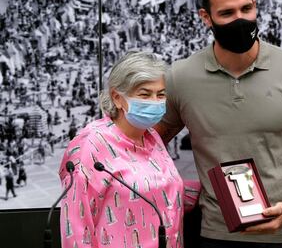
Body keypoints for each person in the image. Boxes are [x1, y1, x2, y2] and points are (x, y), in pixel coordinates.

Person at [155, 0, 282, 248]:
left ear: (256, 5)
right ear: (206, 18)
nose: (240, 20)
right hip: (217, 236)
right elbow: (148, 145)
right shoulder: (180, 78)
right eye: (227, 13)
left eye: (246, 8)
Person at [59, 51, 199, 248]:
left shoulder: (152, 137)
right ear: (117, 97)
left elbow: (159, 190)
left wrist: (213, 189)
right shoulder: (90, 145)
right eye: (144, 94)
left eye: (160, 94)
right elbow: (76, 226)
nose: (155, 101)